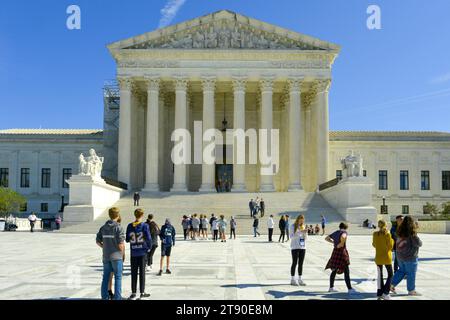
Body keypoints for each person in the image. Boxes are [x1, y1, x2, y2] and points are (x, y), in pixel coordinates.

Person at [96, 207, 125, 300]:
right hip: (116, 256)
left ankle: (104, 297)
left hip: (106, 255)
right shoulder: (118, 227)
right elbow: (121, 244)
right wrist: (123, 254)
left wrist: (104, 247)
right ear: (117, 215)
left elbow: (97, 241)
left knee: (105, 277)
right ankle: (117, 297)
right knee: (118, 277)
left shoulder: (103, 227)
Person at [390, 216, 422, 296]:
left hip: (400, 255)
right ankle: (411, 290)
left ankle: (390, 285)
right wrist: (416, 231)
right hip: (410, 256)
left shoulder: (399, 230)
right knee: (411, 273)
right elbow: (419, 243)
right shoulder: (411, 232)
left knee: (401, 271)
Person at [126, 209, 152, 300]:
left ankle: (133, 293)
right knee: (142, 273)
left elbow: (127, 239)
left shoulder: (129, 226)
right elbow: (148, 238)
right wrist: (149, 247)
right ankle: (142, 292)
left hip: (133, 252)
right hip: (142, 252)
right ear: (142, 215)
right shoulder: (145, 225)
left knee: (133, 273)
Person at [325, 222, 357, 295]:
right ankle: (350, 289)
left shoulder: (336, 232)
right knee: (346, 271)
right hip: (342, 252)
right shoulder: (344, 232)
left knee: (334, 270)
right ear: (346, 227)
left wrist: (333, 242)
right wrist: (341, 244)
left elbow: (326, 238)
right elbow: (343, 236)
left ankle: (331, 288)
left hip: (335, 252)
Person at [372, 220, 394, 300]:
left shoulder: (375, 234)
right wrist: (392, 240)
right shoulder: (387, 234)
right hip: (386, 257)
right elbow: (390, 246)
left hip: (378, 257)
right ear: (386, 225)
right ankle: (386, 292)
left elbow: (374, 244)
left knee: (380, 276)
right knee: (390, 274)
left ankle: (380, 293)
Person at [290, 215, 308, 286]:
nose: (302, 221)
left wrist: (305, 233)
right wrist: (300, 232)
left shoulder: (303, 226)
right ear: (298, 219)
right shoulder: (293, 226)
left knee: (301, 263)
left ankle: (300, 279)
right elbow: (291, 236)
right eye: (300, 220)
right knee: (294, 263)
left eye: (303, 220)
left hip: (302, 247)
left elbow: (306, 238)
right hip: (295, 246)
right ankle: (292, 279)